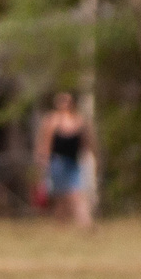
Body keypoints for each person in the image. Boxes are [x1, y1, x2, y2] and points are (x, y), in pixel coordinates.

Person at [34, 91, 96, 228]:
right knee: (62, 197)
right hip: (57, 162)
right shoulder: (52, 120)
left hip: (74, 162)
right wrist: (43, 160)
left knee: (76, 194)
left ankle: (85, 224)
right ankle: (62, 226)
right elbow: (46, 143)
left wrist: (88, 156)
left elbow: (86, 141)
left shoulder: (78, 120)